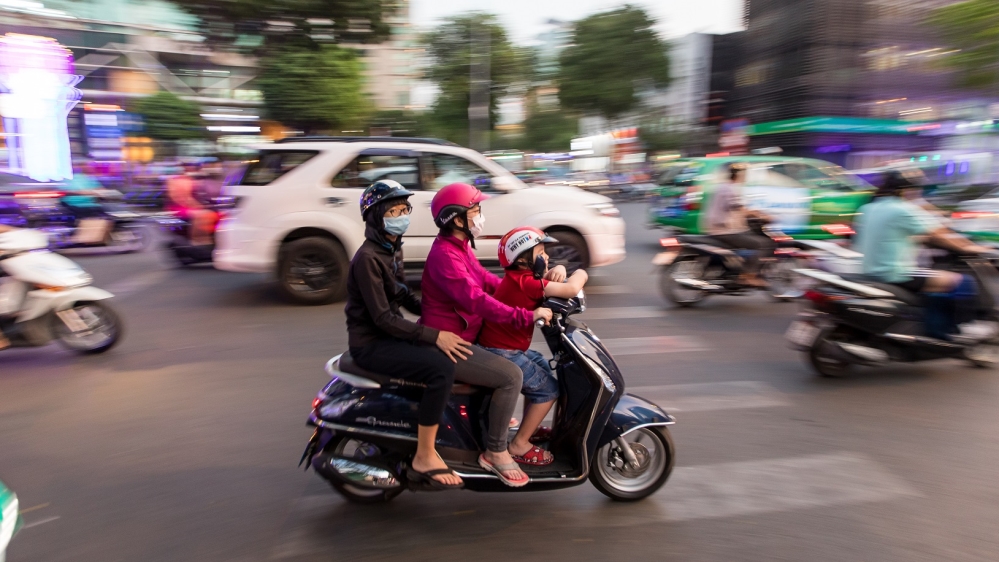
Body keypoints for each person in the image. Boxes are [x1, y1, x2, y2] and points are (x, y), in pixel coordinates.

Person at [420, 183, 553, 487]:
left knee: (534, 361)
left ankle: (502, 427)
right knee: (511, 376)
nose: (480, 216)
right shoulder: (445, 256)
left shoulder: (460, 248)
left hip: (466, 338)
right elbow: (475, 300)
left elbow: (489, 283)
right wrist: (525, 315)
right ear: (456, 219)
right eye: (475, 210)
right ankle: (496, 451)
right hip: (451, 345)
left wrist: (534, 286)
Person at [344, 180, 469, 490]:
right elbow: (383, 318)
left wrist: (444, 315)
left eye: (404, 210)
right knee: (441, 368)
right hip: (372, 344)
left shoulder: (390, 248)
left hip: (389, 334)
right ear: (376, 217)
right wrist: (433, 335)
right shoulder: (367, 258)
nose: (402, 216)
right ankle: (425, 455)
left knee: (451, 353)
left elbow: (403, 297)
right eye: (394, 211)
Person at [478, 227, 588, 466]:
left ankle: (529, 429)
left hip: (506, 347)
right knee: (548, 390)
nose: (545, 257)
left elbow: (549, 278)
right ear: (523, 259)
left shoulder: (521, 279)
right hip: (502, 351)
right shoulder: (525, 282)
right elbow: (570, 288)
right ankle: (520, 445)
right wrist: (580, 271)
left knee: (541, 367)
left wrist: (557, 268)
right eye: (540, 252)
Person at [855, 169, 994, 341]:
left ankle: (936, 328)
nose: (917, 193)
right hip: (896, 272)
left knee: (935, 285)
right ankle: (966, 328)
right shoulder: (903, 208)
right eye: (915, 189)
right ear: (905, 189)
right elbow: (940, 233)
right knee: (963, 281)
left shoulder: (868, 208)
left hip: (868, 270)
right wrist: (970, 248)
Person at [702, 162, 774, 286]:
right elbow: (739, 208)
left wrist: (755, 212)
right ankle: (748, 275)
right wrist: (761, 215)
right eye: (744, 174)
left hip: (717, 228)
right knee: (762, 244)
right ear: (740, 175)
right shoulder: (730, 189)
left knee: (748, 236)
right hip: (725, 231)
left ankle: (735, 269)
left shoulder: (722, 187)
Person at [166, 163, 218, 246]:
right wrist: (196, 207)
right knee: (204, 215)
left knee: (211, 214)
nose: (190, 169)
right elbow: (179, 198)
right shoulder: (175, 181)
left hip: (188, 206)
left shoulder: (189, 180)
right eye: (187, 168)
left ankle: (206, 241)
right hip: (178, 208)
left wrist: (199, 206)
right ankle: (198, 241)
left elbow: (190, 198)